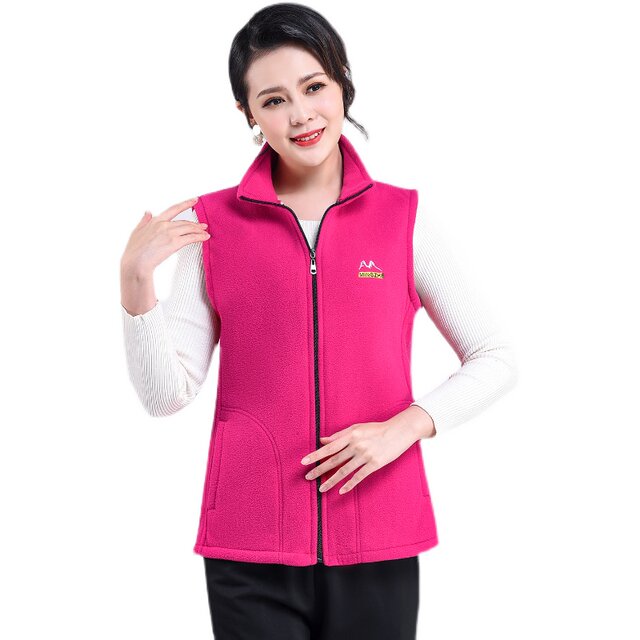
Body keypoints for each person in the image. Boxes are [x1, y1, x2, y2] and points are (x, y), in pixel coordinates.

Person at [120, 3, 518, 639]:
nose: (301, 114)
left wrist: (402, 430)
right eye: (273, 100)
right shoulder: (210, 227)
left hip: (378, 535)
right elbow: (168, 396)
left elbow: (495, 356)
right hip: (249, 546)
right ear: (249, 114)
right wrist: (135, 285)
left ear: (342, 83)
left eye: (314, 87)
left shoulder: (404, 220)